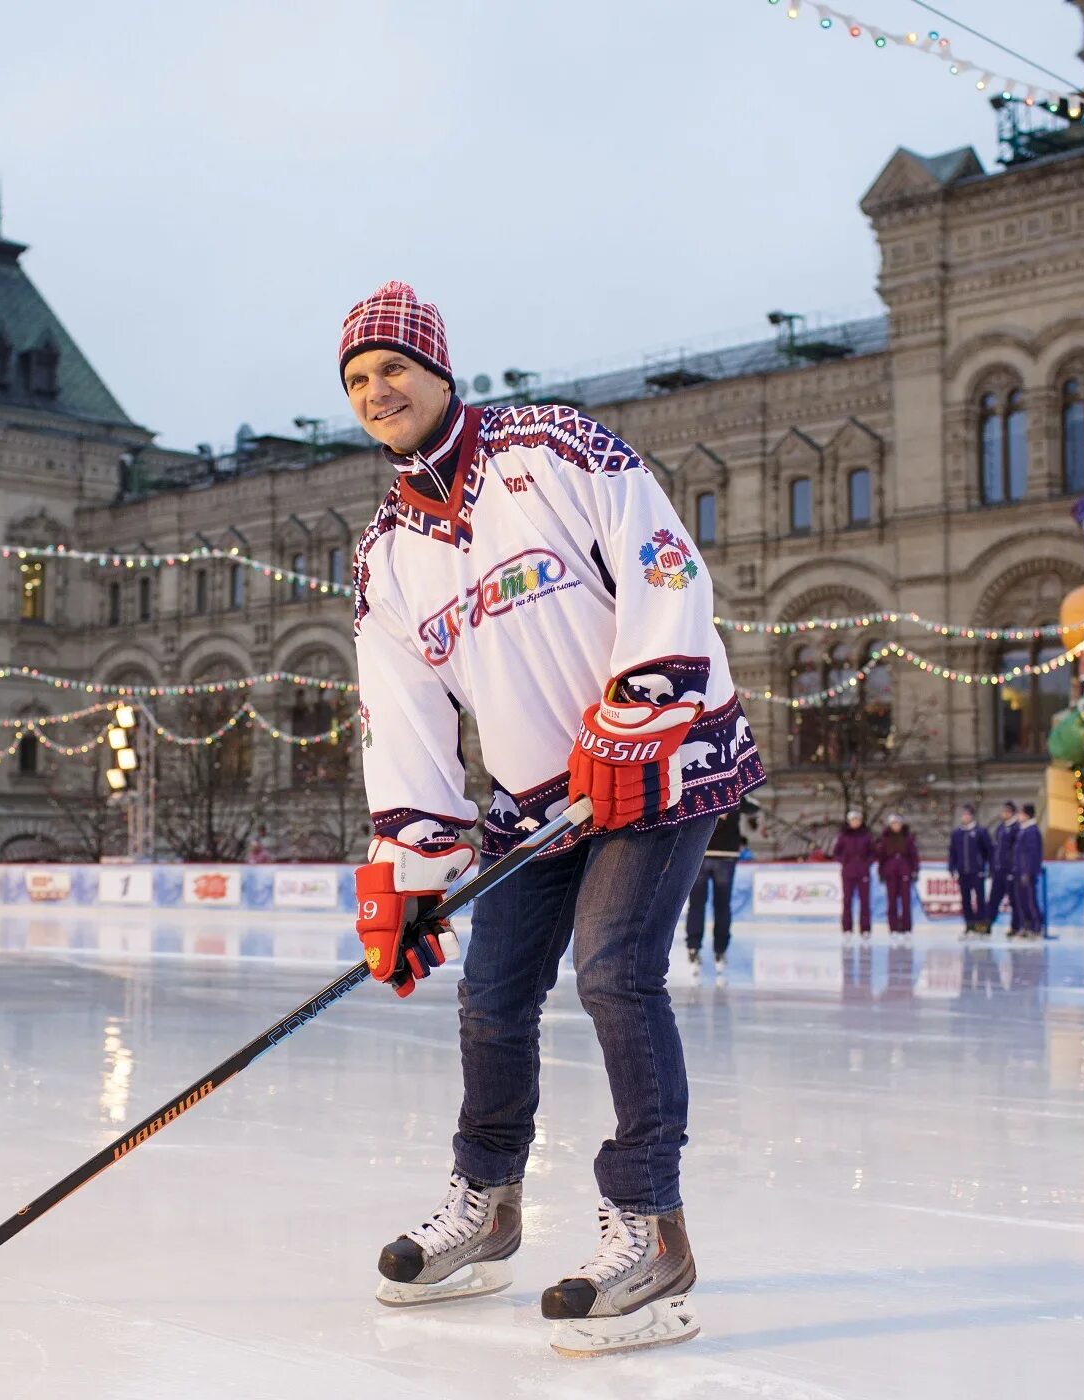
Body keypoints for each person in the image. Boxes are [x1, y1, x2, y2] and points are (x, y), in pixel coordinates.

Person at [341, 282, 764, 1356]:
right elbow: (404, 723)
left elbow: (662, 562)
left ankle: (649, 1227)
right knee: (491, 996)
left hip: (658, 761)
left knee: (613, 971)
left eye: (392, 366)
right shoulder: (385, 555)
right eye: (356, 380)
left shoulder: (554, 446)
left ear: (440, 371)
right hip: (534, 804)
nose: (377, 389)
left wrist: (641, 711)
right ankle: (486, 1206)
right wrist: (409, 869)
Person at [685, 793, 759, 978]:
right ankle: (720, 949)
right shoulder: (735, 790)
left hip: (700, 853)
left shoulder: (701, 788)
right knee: (722, 905)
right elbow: (754, 807)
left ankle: (694, 946)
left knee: (697, 904)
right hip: (725, 855)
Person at [947, 804, 993, 936]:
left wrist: (988, 867)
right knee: (965, 900)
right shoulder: (957, 833)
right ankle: (969, 924)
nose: (964, 817)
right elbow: (952, 852)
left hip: (977, 872)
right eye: (963, 815)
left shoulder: (980, 832)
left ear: (972, 816)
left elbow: (988, 851)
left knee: (980, 900)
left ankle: (981, 925)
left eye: (967, 814)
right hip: (963, 872)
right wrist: (952, 868)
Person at [833, 810, 876, 937]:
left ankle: (865, 929)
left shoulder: (866, 836)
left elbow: (872, 853)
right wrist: (844, 862)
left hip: (863, 873)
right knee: (847, 901)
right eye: (852, 820)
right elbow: (836, 852)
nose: (855, 822)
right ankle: (847, 929)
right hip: (848, 873)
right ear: (849, 821)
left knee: (865, 902)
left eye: (857, 819)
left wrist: (866, 863)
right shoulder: (844, 836)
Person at [876, 813, 920, 936]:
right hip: (890, 873)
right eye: (893, 824)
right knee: (892, 902)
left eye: (898, 823)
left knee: (906, 901)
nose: (896, 826)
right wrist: (881, 872)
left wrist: (915, 870)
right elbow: (881, 858)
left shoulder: (908, 838)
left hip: (905, 872)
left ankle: (907, 927)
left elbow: (914, 856)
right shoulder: (885, 839)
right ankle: (893, 928)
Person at [984, 801, 1020, 936]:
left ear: (1012, 813)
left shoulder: (1017, 829)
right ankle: (987, 924)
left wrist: (1014, 868)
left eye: (1007, 812)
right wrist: (993, 867)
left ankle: (1016, 926)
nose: (1003, 814)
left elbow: (1016, 852)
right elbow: (996, 850)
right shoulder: (1000, 828)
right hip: (998, 871)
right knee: (993, 899)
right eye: (1003, 811)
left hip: (1010, 871)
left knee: (1014, 900)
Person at [1011, 802, 1044, 937]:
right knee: (1021, 901)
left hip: (1027, 873)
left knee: (1030, 900)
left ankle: (1036, 927)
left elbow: (1032, 854)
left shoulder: (1032, 831)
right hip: (1019, 871)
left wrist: (1027, 872)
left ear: (1027, 815)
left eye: (1021, 813)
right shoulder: (1022, 830)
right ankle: (1027, 925)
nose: (1018, 816)